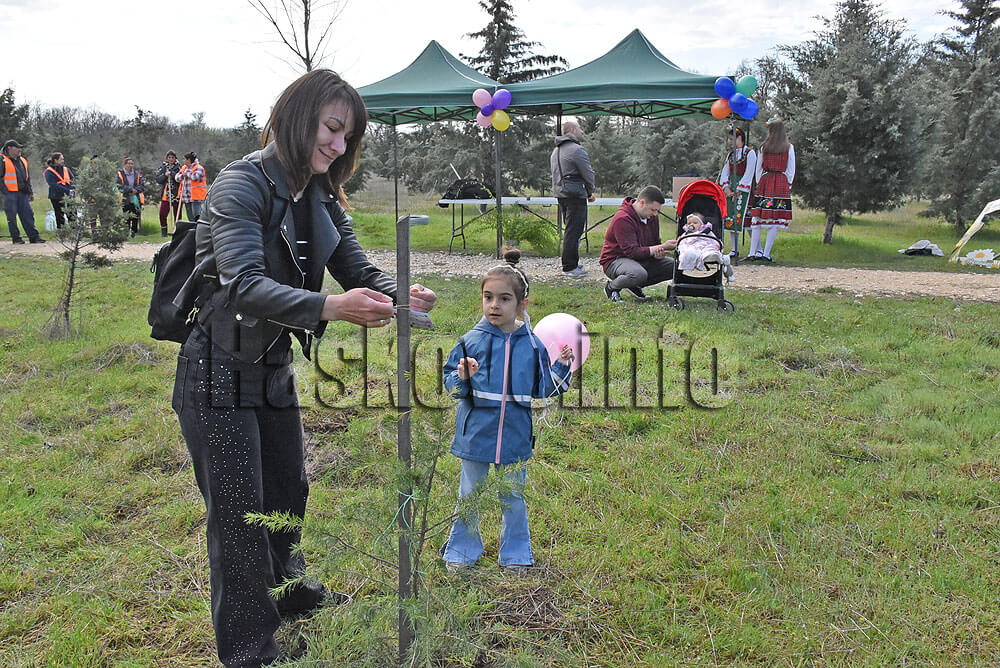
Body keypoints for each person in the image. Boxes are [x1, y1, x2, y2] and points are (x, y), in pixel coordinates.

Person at [171, 69, 437, 668]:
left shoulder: (318, 192)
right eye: (332, 129)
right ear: (298, 118)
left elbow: (355, 265)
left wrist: (397, 294)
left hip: (270, 366)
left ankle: (290, 595)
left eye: (348, 136)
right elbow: (241, 284)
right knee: (239, 513)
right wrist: (330, 307)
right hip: (215, 370)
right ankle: (248, 650)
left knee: (289, 488)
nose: (339, 147)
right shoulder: (239, 186)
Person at [441, 250, 573, 572]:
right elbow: (450, 384)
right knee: (469, 494)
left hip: (514, 438)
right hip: (476, 437)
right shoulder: (470, 342)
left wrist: (562, 368)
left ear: (521, 304)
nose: (494, 306)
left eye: (503, 299)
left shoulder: (532, 345)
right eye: (488, 297)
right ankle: (461, 549)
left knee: (512, 496)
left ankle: (515, 553)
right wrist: (461, 377)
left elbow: (543, 389)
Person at [598, 185, 677, 302]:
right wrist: (662, 246)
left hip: (639, 260)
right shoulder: (623, 219)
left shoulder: (652, 218)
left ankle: (633, 285)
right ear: (642, 203)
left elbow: (654, 243)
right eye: (653, 210)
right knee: (637, 274)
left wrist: (658, 253)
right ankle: (612, 287)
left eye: (657, 210)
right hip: (615, 260)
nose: (655, 214)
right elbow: (632, 252)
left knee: (675, 267)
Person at [745, 117, 795, 262]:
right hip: (780, 182)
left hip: (766, 182)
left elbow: (758, 168)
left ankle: (753, 252)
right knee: (774, 219)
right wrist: (787, 184)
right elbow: (791, 169)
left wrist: (761, 182)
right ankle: (766, 254)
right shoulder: (788, 147)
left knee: (757, 217)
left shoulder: (763, 147)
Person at [550, 120, 595, 277]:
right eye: (580, 128)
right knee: (573, 231)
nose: (583, 131)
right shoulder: (577, 150)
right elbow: (588, 173)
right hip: (575, 195)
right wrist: (590, 192)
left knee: (570, 230)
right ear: (573, 130)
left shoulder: (556, 151)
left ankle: (572, 263)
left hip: (561, 194)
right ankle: (569, 267)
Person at [718, 127, 756, 260]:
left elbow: (750, 172)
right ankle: (734, 249)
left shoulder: (750, 153)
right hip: (732, 188)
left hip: (745, 190)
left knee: (747, 220)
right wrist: (726, 188)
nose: (730, 142)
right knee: (732, 219)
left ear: (740, 138)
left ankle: (757, 249)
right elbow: (725, 172)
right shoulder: (731, 155)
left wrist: (740, 189)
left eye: (732, 139)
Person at [1, 139, 45, 243]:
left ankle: (34, 237)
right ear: (9, 148)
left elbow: (27, 179)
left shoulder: (22, 161)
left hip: (22, 193)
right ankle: (16, 239)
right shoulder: (2, 160)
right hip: (9, 193)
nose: (19, 150)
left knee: (28, 214)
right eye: (17, 147)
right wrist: (5, 191)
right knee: (12, 217)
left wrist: (30, 192)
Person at [44, 152, 75, 229]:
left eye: (63, 159)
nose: (63, 161)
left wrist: (72, 190)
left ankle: (74, 232)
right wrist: (67, 191)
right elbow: (53, 185)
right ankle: (62, 233)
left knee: (72, 214)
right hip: (56, 196)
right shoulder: (49, 171)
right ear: (55, 160)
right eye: (61, 159)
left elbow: (73, 181)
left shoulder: (66, 169)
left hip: (69, 195)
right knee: (59, 215)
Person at [116, 157, 144, 237]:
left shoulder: (137, 174)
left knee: (135, 215)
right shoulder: (120, 174)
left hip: (135, 199)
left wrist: (135, 190)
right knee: (126, 216)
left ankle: (134, 232)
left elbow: (141, 185)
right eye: (129, 163)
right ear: (124, 164)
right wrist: (130, 190)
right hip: (125, 198)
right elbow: (119, 185)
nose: (130, 165)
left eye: (132, 163)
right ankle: (126, 232)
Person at [155, 150, 181, 236]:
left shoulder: (179, 167)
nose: (171, 159)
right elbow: (158, 179)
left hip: (176, 194)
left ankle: (177, 232)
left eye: (172, 157)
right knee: (162, 213)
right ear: (167, 158)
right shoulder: (163, 167)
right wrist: (165, 175)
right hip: (166, 194)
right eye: (169, 157)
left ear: (175, 158)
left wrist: (172, 174)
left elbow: (180, 178)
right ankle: (164, 232)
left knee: (177, 214)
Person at [175, 151, 207, 221]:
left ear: (189, 160)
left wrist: (186, 174)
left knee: (197, 216)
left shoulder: (199, 168)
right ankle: (193, 231)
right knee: (190, 218)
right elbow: (177, 178)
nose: (183, 160)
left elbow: (195, 177)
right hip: (186, 197)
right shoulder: (184, 168)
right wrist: (183, 175)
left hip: (196, 197)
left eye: (184, 159)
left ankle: (199, 231)